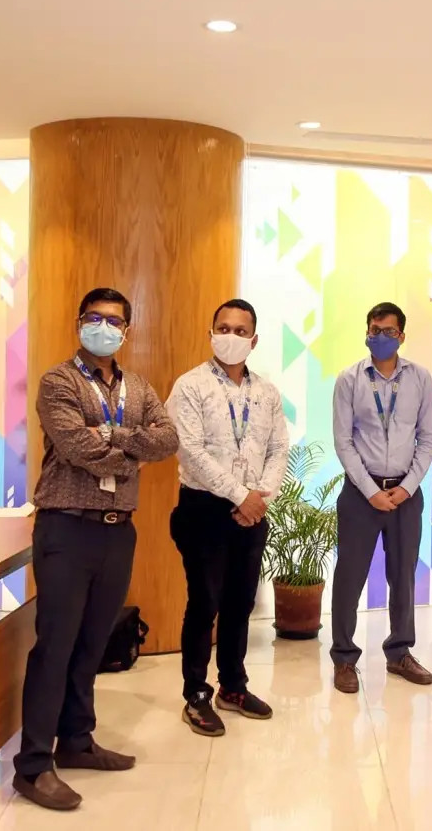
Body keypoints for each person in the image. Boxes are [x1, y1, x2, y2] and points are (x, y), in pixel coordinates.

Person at [12, 288, 179, 810]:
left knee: (91, 645)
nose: (103, 327)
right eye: (94, 318)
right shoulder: (58, 381)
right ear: (78, 322)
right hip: (67, 528)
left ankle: (77, 740)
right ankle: (32, 766)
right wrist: (130, 450)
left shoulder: (138, 386)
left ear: (127, 330)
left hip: (117, 530)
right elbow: (74, 445)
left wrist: (110, 434)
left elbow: (167, 439)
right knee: (55, 646)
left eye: (114, 321)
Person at [167, 299, 289, 736]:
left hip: (253, 511)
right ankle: (196, 695)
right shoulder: (190, 386)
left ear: (253, 340)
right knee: (205, 603)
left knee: (241, 603)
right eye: (223, 328)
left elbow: (279, 448)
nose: (230, 336)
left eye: (240, 330)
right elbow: (190, 451)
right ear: (211, 333)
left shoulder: (266, 392)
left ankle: (233, 687)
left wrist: (260, 497)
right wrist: (241, 495)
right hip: (204, 509)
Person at [329, 302, 432, 694]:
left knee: (403, 576)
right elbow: (343, 441)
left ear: (401, 336)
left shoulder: (420, 379)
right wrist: (372, 491)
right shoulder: (350, 379)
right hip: (361, 493)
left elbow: (428, 439)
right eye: (374, 330)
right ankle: (344, 658)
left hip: (406, 492)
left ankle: (399, 652)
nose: (380, 337)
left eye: (388, 331)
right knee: (349, 576)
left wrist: (407, 487)